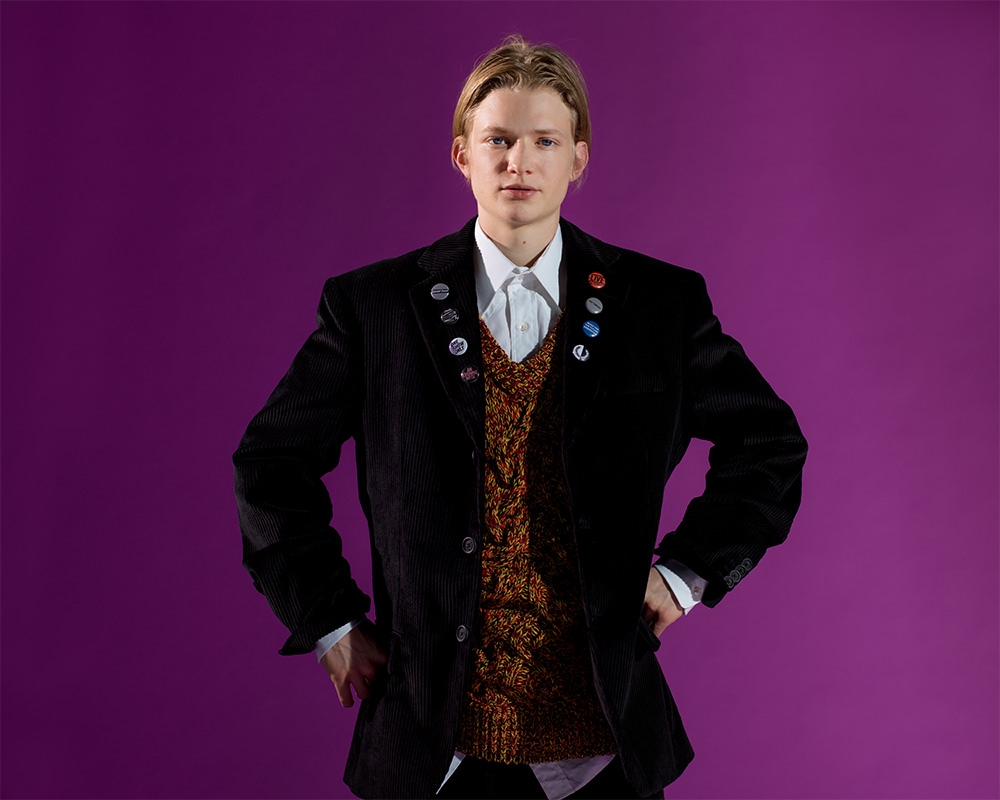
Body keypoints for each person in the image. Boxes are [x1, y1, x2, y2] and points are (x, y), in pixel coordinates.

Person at [233, 35, 807, 800]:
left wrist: (685, 574)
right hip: (431, 744)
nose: (519, 162)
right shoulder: (374, 308)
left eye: (545, 141)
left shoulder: (658, 305)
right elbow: (270, 466)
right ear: (462, 156)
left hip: (603, 747)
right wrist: (329, 621)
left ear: (578, 159)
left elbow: (769, 442)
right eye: (498, 140)